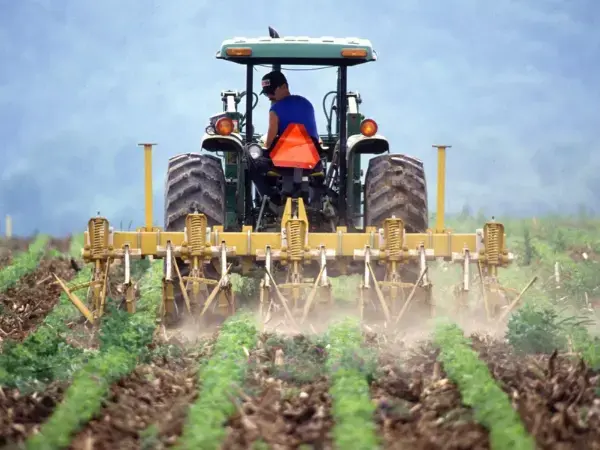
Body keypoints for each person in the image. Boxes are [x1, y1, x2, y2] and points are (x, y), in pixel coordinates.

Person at [260, 70, 319, 148]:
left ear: (284, 87)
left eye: (271, 92)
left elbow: (269, 144)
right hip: (313, 155)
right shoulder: (307, 104)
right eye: (266, 94)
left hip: (286, 156)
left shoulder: (275, 109)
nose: (269, 97)